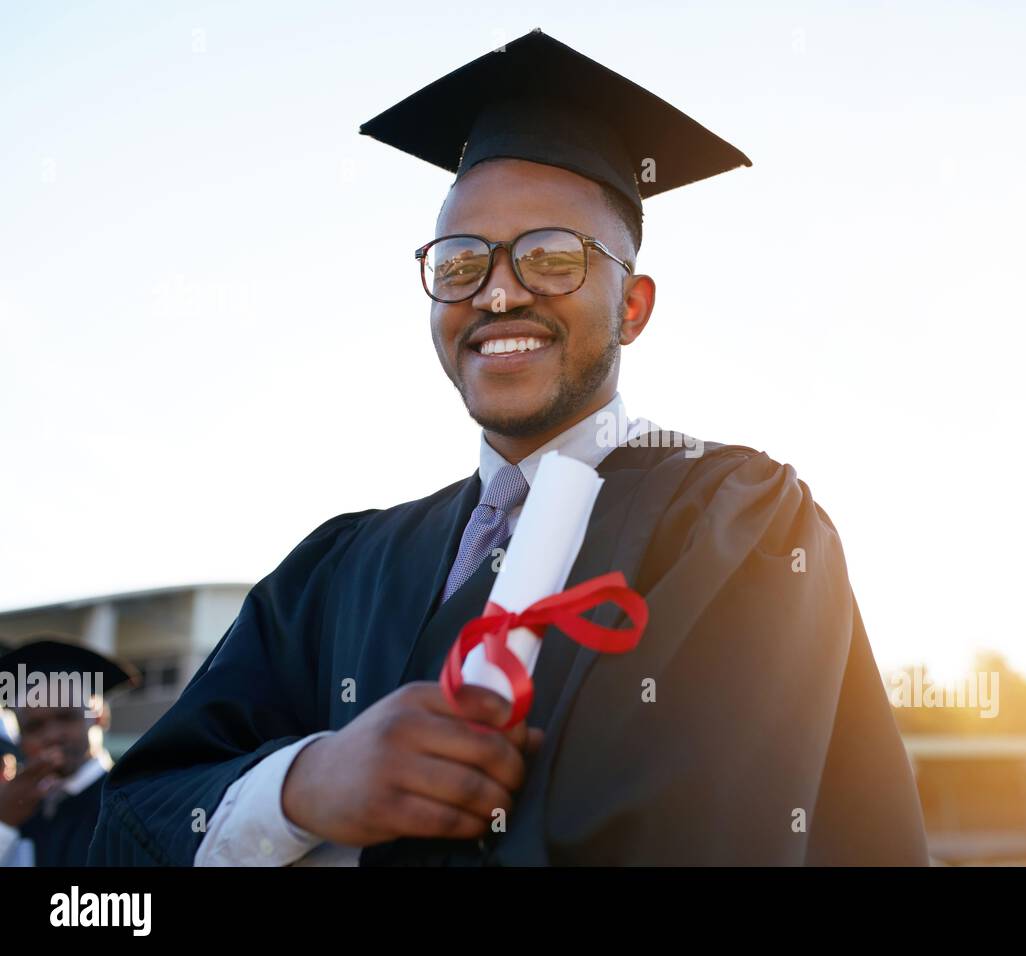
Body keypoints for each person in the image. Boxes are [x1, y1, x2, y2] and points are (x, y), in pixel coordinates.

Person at [89, 29, 928, 866]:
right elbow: (134, 819)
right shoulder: (340, 569)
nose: (498, 293)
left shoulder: (735, 525)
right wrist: (307, 786)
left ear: (633, 306)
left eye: (552, 258)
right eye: (460, 264)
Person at [0, 637, 138, 866]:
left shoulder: (130, 803)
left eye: (66, 717)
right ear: (19, 738)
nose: (52, 735)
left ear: (98, 716)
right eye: (34, 727)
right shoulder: (21, 812)